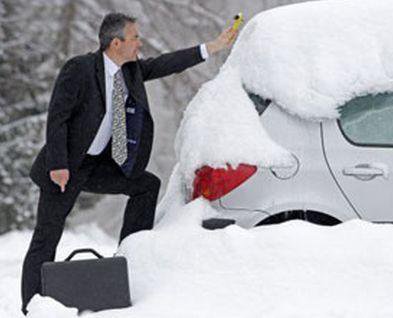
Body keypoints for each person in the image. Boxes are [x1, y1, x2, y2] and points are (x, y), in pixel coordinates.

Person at [20, 12, 238, 315]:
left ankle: (131, 257)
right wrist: (58, 164)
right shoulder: (80, 69)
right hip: (66, 169)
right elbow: (58, 118)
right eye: (134, 37)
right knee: (46, 239)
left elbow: (164, 64)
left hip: (99, 166)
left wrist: (211, 47)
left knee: (147, 185)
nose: (140, 42)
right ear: (115, 42)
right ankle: (31, 305)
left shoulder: (130, 71)